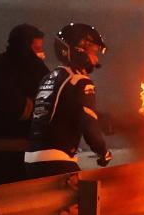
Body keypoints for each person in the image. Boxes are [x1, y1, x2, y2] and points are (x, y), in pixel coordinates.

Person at [24, 22, 112, 178]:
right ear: (79, 50)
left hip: (31, 160)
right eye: (93, 51)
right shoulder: (79, 80)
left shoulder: (49, 77)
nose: (95, 58)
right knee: (94, 196)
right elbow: (89, 123)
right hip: (56, 160)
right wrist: (103, 152)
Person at [0, 23, 50, 188]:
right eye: (37, 49)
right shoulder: (27, 71)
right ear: (24, 47)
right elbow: (20, 108)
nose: (41, 54)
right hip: (12, 158)